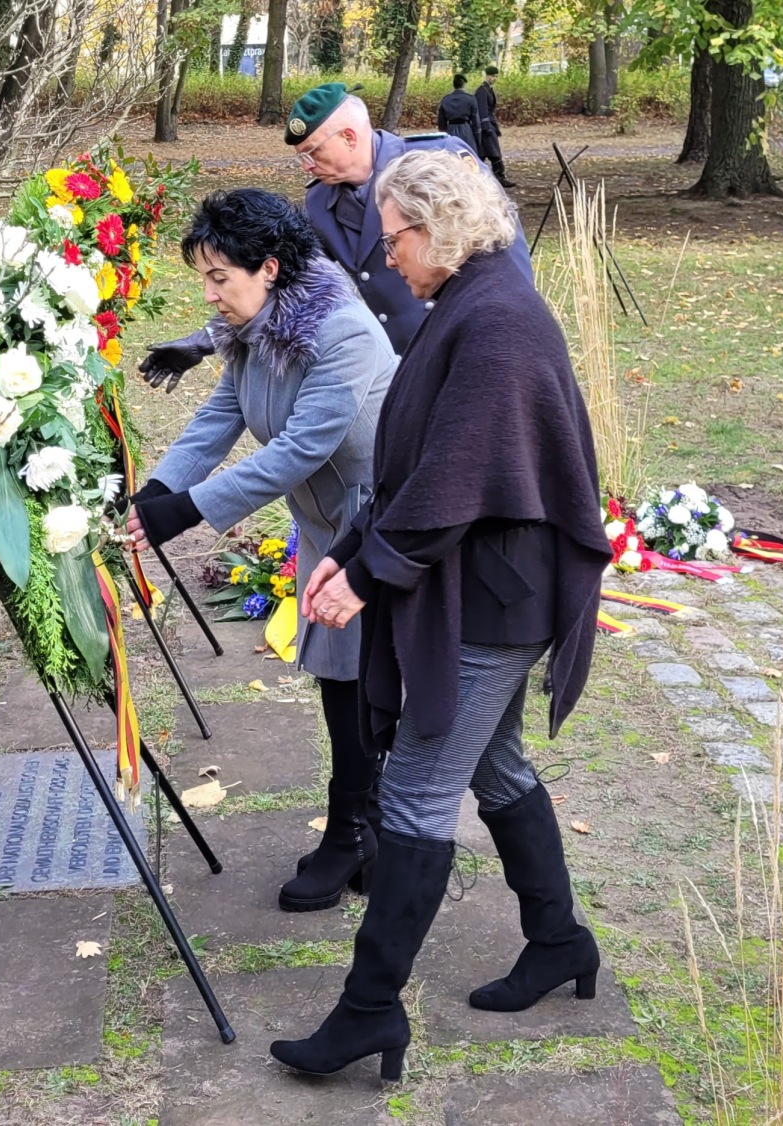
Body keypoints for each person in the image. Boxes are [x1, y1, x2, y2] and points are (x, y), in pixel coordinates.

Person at [268, 150, 612, 1080]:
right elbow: (414, 463)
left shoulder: (496, 319)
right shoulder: (471, 300)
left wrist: (367, 573)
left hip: (501, 594)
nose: (387, 260)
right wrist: (346, 551)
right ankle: (559, 944)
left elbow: (456, 480)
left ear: (437, 229)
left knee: (417, 788)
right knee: (493, 765)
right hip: (488, 577)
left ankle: (370, 1010)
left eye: (395, 241)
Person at [124, 189, 396, 912]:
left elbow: (304, 449)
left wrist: (182, 515)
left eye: (220, 277)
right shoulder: (252, 328)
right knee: (341, 682)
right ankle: (362, 832)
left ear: (269, 268)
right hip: (326, 529)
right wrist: (154, 493)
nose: (210, 295)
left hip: (381, 535)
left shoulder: (342, 334)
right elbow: (221, 415)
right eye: (205, 279)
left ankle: (359, 833)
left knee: (371, 686)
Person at [137, 82, 531, 390]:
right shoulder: (320, 202)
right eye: (300, 157)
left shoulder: (436, 161)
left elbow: (502, 249)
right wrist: (203, 340)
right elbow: (291, 281)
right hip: (394, 365)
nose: (307, 166)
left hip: (466, 346)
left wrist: (511, 337)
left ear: (348, 137)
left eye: (313, 152)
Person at [475, 65, 515, 187]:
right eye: (493, 76)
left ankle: (495, 177)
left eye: (496, 76)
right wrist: (486, 126)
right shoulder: (482, 90)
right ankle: (498, 178)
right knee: (491, 152)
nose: (495, 78)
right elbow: (482, 110)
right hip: (486, 126)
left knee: (486, 152)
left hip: (489, 124)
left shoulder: (488, 89)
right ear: (486, 76)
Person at [437, 73, 483, 158]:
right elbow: (476, 121)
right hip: (466, 130)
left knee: (451, 156)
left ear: (453, 85)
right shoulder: (471, 99)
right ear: (463, 85)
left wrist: (443, 135)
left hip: (450, 130)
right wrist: (477, 138)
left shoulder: (445, 99)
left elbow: (441, 123)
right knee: (468, 156)